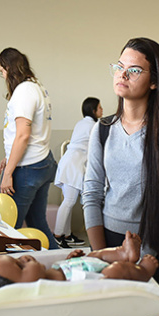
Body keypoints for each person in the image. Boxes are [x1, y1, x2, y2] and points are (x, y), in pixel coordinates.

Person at [82, 37, 159, 296]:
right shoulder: (103, 129)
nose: (123, 74)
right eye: (119, 67)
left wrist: (140, 261)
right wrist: (102, 255)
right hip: (110, 241)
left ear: (154, 81)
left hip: (157, 250)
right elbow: (92, 192)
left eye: (134, 70)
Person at [0, 231, 159, 300]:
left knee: (94, 254)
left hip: (82, 266)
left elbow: (65, 268)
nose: (24, 258)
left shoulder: (49, 271)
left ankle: (124, 254)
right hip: (97, 279)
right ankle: (142, 272)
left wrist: (71, 259)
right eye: (20, 267)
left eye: (17, 258)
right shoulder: (51, 292)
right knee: (115, 271)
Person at [0, 47, 59, 249]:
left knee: (7, 229)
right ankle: (63, 263)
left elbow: (23, 135)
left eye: (2, 71)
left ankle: (5, 270)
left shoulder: (24, 91)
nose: (2, 76)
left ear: (9, 68)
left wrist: (8, 173)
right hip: (41, 162)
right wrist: (9, 156)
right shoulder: (37, 87)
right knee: (37, 224)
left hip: (27, 168)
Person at [52, 97, 102, 248]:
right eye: (100, 108)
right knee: (69, 201)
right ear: (93, 110)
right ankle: (57, 236)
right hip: (73, 165)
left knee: (69, 201)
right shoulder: (93, 126)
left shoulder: (81, 123)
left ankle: (67, 235)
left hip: (71, 163)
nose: (102, 110)